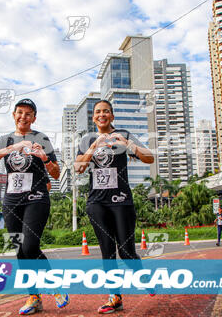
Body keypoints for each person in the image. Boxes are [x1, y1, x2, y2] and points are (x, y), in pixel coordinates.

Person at [0, 98, 69, 315]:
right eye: (20, 112)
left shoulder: (41, 138)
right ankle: (34, 297)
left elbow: (57, 173)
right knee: (20, 249)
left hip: (36, 198)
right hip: (11, 200)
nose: (23, 117)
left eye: (28, 113)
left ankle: (54, 286)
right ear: (14, 115)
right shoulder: (5, 139)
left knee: (30, 246)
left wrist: (44, 158)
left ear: (34, 118)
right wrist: (14, 146)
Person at [75, 99, 155, 314]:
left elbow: (149, 158)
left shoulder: (124, 135)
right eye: (98, 112)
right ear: (93, 117)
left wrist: (127, 144)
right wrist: (94, 145)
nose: (102, 115)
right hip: (96, 202)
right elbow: (79, 168)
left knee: (126, 251)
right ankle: (114, 297)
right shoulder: (86, 139)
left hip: (121, 200)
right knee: (107, 251)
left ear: (112, 115)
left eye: (106, 111)